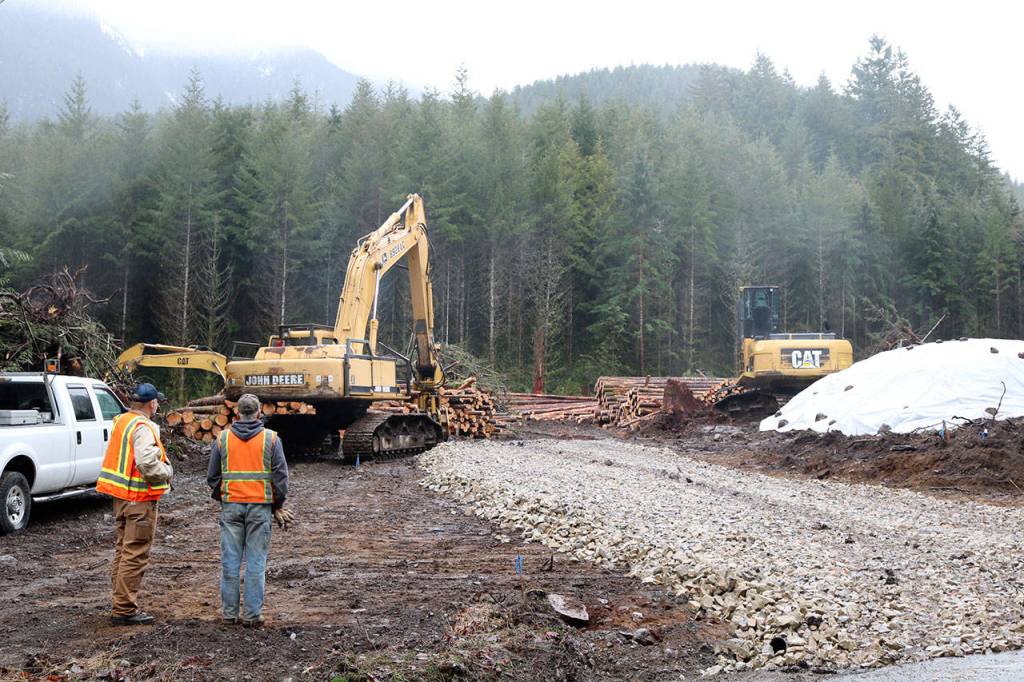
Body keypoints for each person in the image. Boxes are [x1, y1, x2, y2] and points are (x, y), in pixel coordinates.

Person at [207, 393, 291, 627]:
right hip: (260, 509)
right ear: (258, 413)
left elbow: (212, 477)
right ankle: (252, 615)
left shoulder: (222, 439)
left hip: (231, 507)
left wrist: (224, 498)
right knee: (256, 561)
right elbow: (281, 478)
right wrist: (278, 505)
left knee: (230, 561)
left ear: (237, 413)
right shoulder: (271, 439)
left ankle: (230, 613)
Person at [95, 382, 173, 625]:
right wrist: (167, 471)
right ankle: (124, 609)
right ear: (151, 404)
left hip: (122, 498)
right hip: (139, 501)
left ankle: (120, 602)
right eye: (157, 401)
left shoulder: (123, 421)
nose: (158, 404)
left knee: (123, 551)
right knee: (134, 554)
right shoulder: (142, 426)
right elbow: (147, 464)